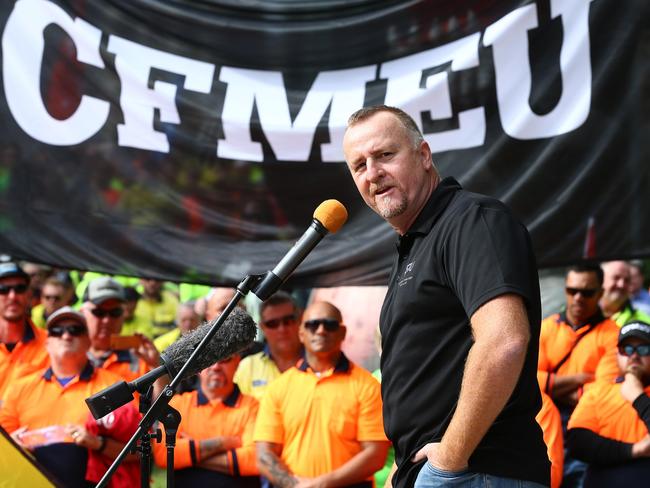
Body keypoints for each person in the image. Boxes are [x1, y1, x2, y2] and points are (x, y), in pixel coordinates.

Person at [343, 105, 549, 487]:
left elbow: (504, 340)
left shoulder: (471, 219)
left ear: (423, 156)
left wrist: (449, 460)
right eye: (359, 165)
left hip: (478, 472)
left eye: (385, 155)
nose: (372, 173)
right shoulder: (414, 243)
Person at [0, 306, 140, 487]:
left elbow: (142, 449)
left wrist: (98, 443)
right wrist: (13, 447)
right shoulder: (20, 387)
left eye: (75, 330)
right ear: (46, 342)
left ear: (88, 342)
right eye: (57, 331)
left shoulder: (112, 386)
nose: (66, 336)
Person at [254, 301, 389, 487]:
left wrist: (320, 484)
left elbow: (376, 455)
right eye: (312, 324)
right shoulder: (279, 387)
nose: (320, 330)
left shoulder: (367, 386)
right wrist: (294, 485)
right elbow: (263, 455)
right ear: (301, 333)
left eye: (330, 324)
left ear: (342, 332)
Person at [538, 264, 620, 486]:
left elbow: (602, 392)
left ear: (600, 293)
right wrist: (578, 379)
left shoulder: (612, 334)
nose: (578, 298)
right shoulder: (546, 328)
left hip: (585, 424)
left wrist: (549, 385)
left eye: (587, 292)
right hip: (544, 420)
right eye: (572, 290)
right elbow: (528, 381)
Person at [153, 353, 260, 487]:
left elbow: (254, 460)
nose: (216, 367)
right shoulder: (178, 405)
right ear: (197, 366)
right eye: (209, 360)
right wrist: (221, 443)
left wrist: (190, 452)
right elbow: (163, 455)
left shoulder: (253, 406)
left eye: (225, 359)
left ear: (237, 361)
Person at [566, 321, 650, 486]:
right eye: (626, 349)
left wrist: (638, 397)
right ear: (617, 355)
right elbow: (577, 443)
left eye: (643, 349)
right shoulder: (598, 392)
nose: (634, 356)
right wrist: (635, 450)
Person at [81, 277, 160, 382]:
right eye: (99, 312)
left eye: (115, 312)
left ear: (123, 315)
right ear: (82, 313)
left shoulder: (140, 357)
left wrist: (156, 367)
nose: (107, 320)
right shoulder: (63, 349)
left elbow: (162, 397)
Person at [234, 291, 303, 400]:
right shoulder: (248, 367)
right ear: (262, 327)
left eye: (288, 321)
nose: (282, 329)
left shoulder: (317, 362)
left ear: (300, 320)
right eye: (273, 324)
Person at [0, 262, 49, 402]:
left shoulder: (51, 344)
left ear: (29, 294)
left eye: (19, 288)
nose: (12, 296)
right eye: (3, 289)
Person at [600, 261, 650, 327]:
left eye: (627, 280)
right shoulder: (585, 313)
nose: (621, 284)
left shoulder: (644, 323)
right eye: (616, 278)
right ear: (601, 279)